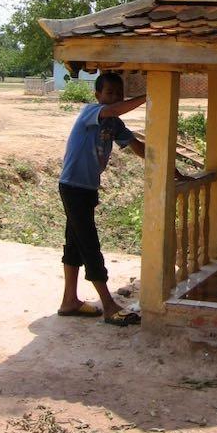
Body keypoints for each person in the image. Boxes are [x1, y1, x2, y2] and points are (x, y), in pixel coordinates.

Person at [57, 71, 146, 326]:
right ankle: (108, 305)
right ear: (97, 95)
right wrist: (150, 96)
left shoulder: (114, 124)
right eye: (109, 93)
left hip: (87, 189)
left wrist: (170, 167)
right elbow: (115, 109)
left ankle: (69, 301)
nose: (115, 97)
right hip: (73, 187)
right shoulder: (91, 112)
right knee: (89, 245)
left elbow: (137, 146)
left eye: (119, 93)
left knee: (75, 244)